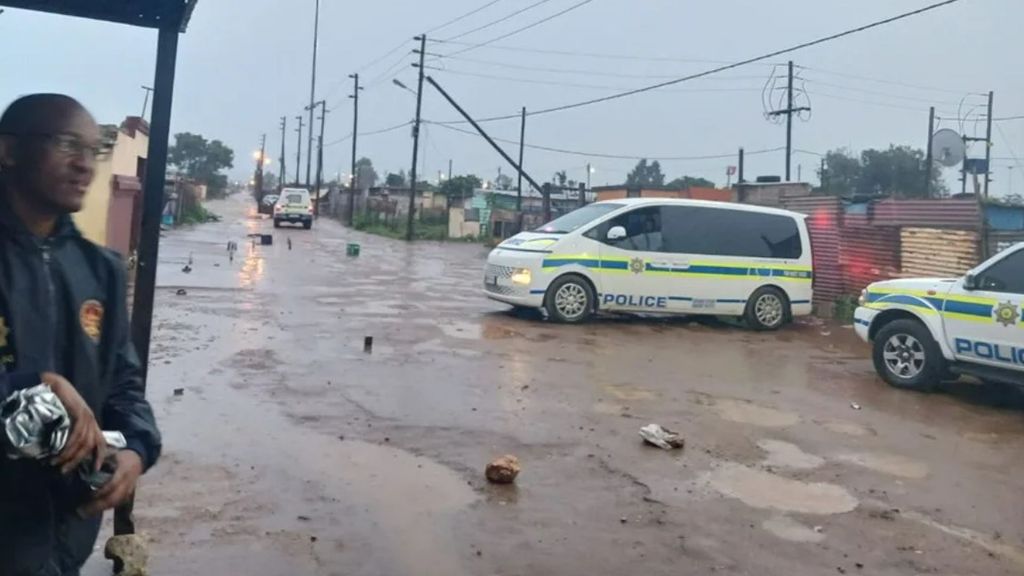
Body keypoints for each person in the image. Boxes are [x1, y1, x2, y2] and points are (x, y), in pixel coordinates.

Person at [0, 94, 161, 576]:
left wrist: (136, 448)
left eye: (93, 150)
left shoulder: (101, 269)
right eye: (67, 144)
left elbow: (123, 382)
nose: (85, 165)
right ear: (9, 150)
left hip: (64, 538)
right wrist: (33, 385)